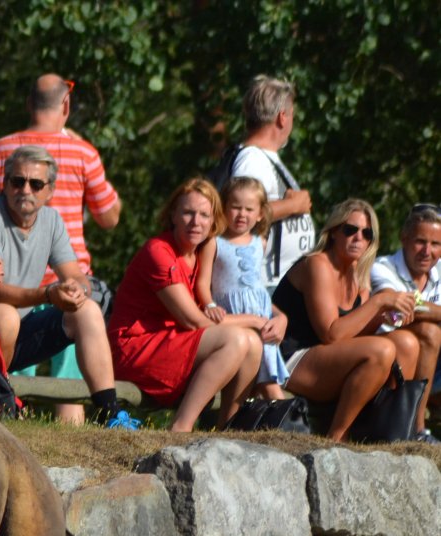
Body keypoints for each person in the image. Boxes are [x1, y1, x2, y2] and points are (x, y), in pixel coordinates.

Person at [0, 145, 134, 427]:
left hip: (17, 330)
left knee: (87, 310)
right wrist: (48, 293)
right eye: (17, 181)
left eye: (35, 184)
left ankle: (111, 413)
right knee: (4, 314)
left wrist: (76, 290)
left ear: (49, 190)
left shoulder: (51, 220)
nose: (26, 190)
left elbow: (74, 273)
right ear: (6, 185)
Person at [108, 178, 265, 431]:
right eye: (188, 213)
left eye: (204, 215)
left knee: (253, 344)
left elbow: (254, 287)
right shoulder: (158, 251)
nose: (196, 222)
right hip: (135, 348)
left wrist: (276, 318)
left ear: (214, 221)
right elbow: (192, 320)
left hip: (174, 342)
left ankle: (227, 429)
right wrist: (254, 320)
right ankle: (181, 427)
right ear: (173, 215)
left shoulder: (202, 254)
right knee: (236, 338)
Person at [269, 199, 432, 441]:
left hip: (326, 359)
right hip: (292, 360)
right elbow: (331, 334)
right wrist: (378, 302)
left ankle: (390, 431)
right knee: (383, 348)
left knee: (406, 343)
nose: (358, 238)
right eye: (350, 230)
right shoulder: (317, 264)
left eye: (366, 233)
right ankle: (338, 435)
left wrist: (379, 317)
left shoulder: (358, 274)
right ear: (334, 232)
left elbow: (355, 337)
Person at [0, 74, 122, 286]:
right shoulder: (83, 154)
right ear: (66, 105)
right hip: (69, 283)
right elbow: (110, 219)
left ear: (29, 104)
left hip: (6, 283)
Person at [196, 176, 288, 394]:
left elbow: (258, 287)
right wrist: (210, 305)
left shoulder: (260, 243)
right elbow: (202, 282)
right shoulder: (214, 242)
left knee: (267, 378)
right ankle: (285, 420)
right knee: (254, 379)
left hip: (261, 315)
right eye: (236, 207)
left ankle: (282, 419)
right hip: (232, 314)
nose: (242, 214)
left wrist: (278, 316)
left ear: (259, 215)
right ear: (224, 208)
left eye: (249, 209)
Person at [224, 75, 314, 291]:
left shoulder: (264, 157)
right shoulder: (252, 160)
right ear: (282, 117)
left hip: (280, 283)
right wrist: (294, 206)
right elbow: (242, 212)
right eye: (292, 115)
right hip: (264, 284)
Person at [369, 203, 441, 433]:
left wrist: (420, 309)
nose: (427, 251)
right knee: (431, 332)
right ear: (404, 238)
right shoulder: (382, 267)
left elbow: (414, 308)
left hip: (428, 359)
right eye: (420, 241)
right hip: (388, 357)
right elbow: (395, 308)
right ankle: (417, 429)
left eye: (436, 244)